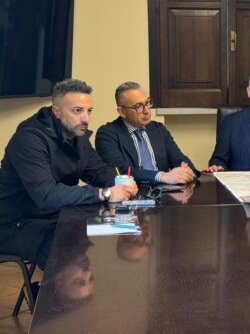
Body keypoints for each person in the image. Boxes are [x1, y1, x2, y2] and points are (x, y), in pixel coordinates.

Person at [0, 79, 137, 269]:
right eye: (77, 111)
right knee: (70, 258)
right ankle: (63, 286)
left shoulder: (77, 136)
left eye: (89, 111)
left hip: (57, 216)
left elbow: (99, 172)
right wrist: (104, 193)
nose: (86, 119)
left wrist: (121, 182)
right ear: (57, 112)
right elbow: (46, 194)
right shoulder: (28, 140)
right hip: (17, 224)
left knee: (123, 232)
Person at [95, 82, 198, 185]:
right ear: (122, 112)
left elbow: (179, 159)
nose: (147, 111)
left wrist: (188, 171)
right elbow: (121, 171)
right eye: (138, 106)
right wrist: (162, 176)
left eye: (148, 103)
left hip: (164, 191)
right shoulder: (107, 135)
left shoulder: (158, 129)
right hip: (132, 191)